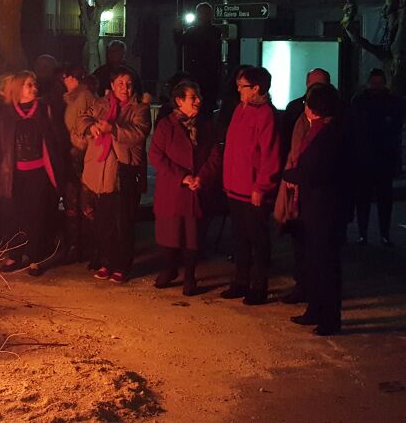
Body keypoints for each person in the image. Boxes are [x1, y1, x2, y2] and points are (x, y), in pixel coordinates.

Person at [284, 82, 352, 335]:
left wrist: (291, 174)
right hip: (313, 207)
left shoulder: (331, 133)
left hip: (326, 209)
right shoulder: (320, 130)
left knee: (326, 264)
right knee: (314, 261)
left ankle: (329, 318)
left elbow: (319, 171)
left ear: (314, 108)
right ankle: (315, 309)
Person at [0, 71, 66, 276]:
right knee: (15, 216)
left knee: (37, 216)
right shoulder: (4, 113)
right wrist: (0, 166)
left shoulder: (43, 110)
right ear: (18, 89)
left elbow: (55, 140)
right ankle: (15, 254)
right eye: (29, 85)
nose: (34, 88)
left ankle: (35, 257)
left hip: (39, 174)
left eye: (34, 84)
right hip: (14, 176)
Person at [78, 68, 151, 284]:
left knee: (123, 222)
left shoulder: (139, 109)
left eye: (128, 84)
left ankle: (122, 265)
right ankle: (106, 261)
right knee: (104, 221)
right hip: (100, 171)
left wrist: (113, 129)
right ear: (112, 85)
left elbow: (138, 133)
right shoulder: (100, 104)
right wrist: (91, 127)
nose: (125, 88)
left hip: (123, 171)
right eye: (120, 83)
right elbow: (82, 120)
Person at [149, 80, 220, 296]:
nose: (198, 100)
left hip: (196, 190)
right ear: (179, 101)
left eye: (198, 96)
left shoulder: (205, 126)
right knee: (170, 234)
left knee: (192, 236)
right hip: (173, 190)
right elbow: (156, 156)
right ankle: (169, 269)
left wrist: (202, 177)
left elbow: (214, 155)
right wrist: (183, 177)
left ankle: (190, 276)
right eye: (193, 97)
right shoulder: (166, 126)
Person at [221, 67, 282, 304]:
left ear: (256, 88)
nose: (238, 89)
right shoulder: (241, 109)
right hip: (235, 187)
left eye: (242, 85)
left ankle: (259, 286)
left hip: (253, 190)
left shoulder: (266, 115)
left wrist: (262, 186)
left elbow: (270, 155)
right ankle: (240, 281)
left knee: (257, 239)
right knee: (239, 238)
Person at [278, 67, 333, 304]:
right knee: (299, 243)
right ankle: (303, 287)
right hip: (297, 191)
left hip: (319, 197)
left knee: (320, 252)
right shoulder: (296, 111)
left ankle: (320, 300)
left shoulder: (335, 122)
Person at [351, 69, 403, 246]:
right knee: (371, 198)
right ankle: (374, 233)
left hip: (378, 158)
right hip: (371, 158)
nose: (376, 87)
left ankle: (374, 233)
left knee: (378, 199)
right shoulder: (366, 101)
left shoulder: (363, 101)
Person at [59, 64, 97, 264]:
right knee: (73, 202)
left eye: (67, 77)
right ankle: (76, 246)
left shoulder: (84, 97)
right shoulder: (71, 98)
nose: (65, 80)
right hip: (73, 156)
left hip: (82, 156)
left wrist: (81, 141)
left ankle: (86, 247)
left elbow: (89, 124)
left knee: (84, 202)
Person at [177, 2, 224, 115]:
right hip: (205, 73)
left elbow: (180, 41)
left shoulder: (197, 31)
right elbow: (180, 42)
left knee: (203, 103)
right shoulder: (213, 31)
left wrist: (178, 30)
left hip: (202, 73)